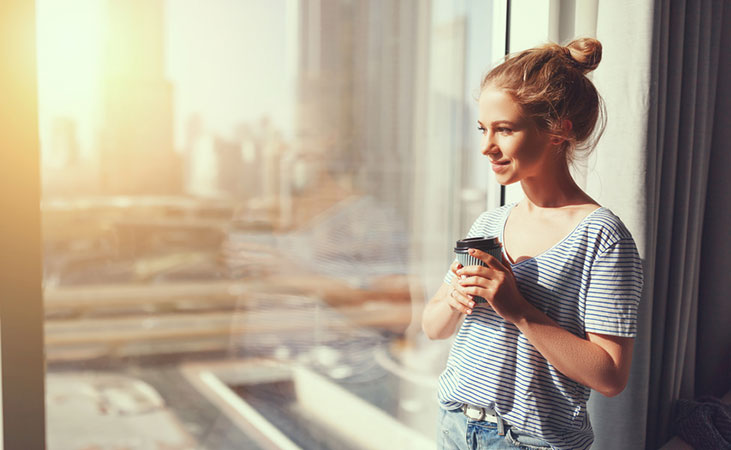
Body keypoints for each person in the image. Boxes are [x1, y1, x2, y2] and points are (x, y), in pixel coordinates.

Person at [421, 37, 644, 450]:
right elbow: (433, 328)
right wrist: (454, 299)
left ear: (559, 130)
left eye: (504, 129)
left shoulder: (603, 238)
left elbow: (611, 376)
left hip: (531, 442)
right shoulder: (490, 222)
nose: (487, 146)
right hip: (454, 426)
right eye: (483, 129)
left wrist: (519, 310)